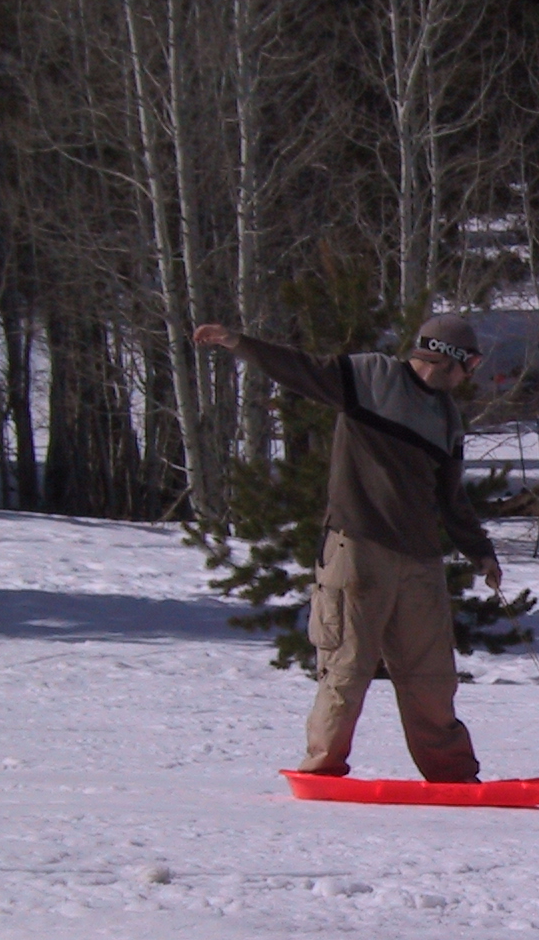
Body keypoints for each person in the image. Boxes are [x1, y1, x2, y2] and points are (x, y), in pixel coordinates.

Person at [194, 314, 503, 783]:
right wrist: (239, 343)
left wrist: (480, 551)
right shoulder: (371, 377)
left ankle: (454, 779)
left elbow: (451, 497)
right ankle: (321, 772)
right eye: (472, 363)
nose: (471, 375)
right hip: (357, 548)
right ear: (447, 356)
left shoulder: (446, 417)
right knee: (346, 668)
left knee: (432, 677)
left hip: (420, 560)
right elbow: (302, 369)